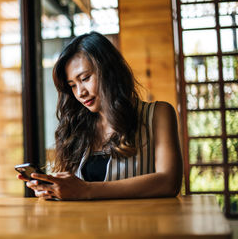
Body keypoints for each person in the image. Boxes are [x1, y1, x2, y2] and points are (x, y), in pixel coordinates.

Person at [18, 31, 183, 200]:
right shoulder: (76, 128)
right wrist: (53, 190)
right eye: (72, 85)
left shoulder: (158, 114)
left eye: (85, 78)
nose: (80, 93)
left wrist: (87, 190)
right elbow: (73, 191)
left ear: (110, 71)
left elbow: (169, 182)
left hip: (139, 224)